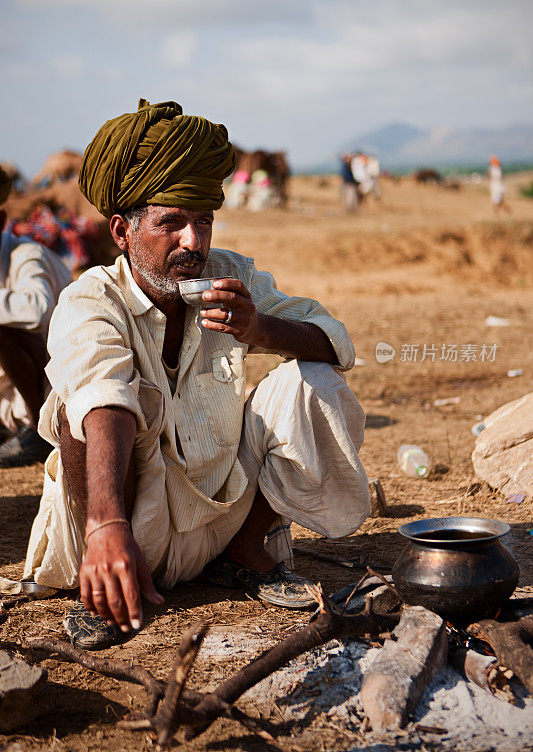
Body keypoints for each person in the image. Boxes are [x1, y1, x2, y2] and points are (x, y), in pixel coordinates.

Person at [23, 99, 370, 650]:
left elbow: (336, 339)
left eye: (202, 221)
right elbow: (102, 396)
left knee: (312, 379)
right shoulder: (90, 301)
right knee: (84, 410)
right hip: (130, 529)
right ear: (122, 230)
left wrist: (260, 329)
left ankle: (247, 556)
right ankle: (110, 580)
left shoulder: (228, 276)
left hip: (219, 520)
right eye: (171, 224)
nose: (193, 242)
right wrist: (107, 527)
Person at [0, 166, 71, 467]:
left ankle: (36, 433)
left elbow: (37, 310)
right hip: (7, 392)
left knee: (5, 328)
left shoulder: (28, 255)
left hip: (53, 385)